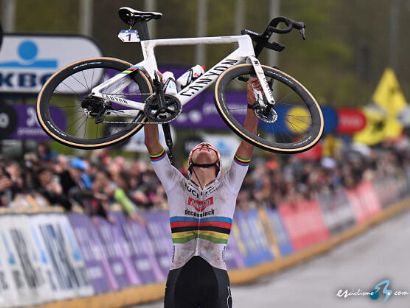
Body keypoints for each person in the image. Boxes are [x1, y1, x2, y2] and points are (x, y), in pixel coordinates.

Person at [144, 77, 261, 308]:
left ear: (218, 164)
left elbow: (248, 143)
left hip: (214, 275)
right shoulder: (174, 183)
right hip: (181, 277)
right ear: (189, 164)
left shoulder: (229, 184)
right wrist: (151, 106)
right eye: (199, 147)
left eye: (210, 147)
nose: (205, 147)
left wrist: (252, 104)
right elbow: (151, 143)